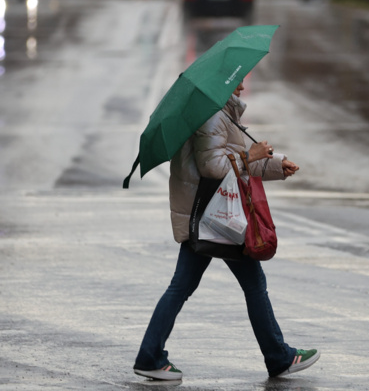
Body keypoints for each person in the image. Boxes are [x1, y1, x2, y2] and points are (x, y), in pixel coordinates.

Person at [133, 80, 320, 381]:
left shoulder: (221, 113)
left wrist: (276, 164)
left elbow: (237, 165)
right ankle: (279, 358)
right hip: (217, 216)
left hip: (209, 215)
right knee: (252, 285)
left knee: (184, 287)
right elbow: (215, 168)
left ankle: (149, 356)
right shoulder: (212, 116)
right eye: (238, 81)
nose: (242, 86)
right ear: (225, 81)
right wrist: (252, 155)